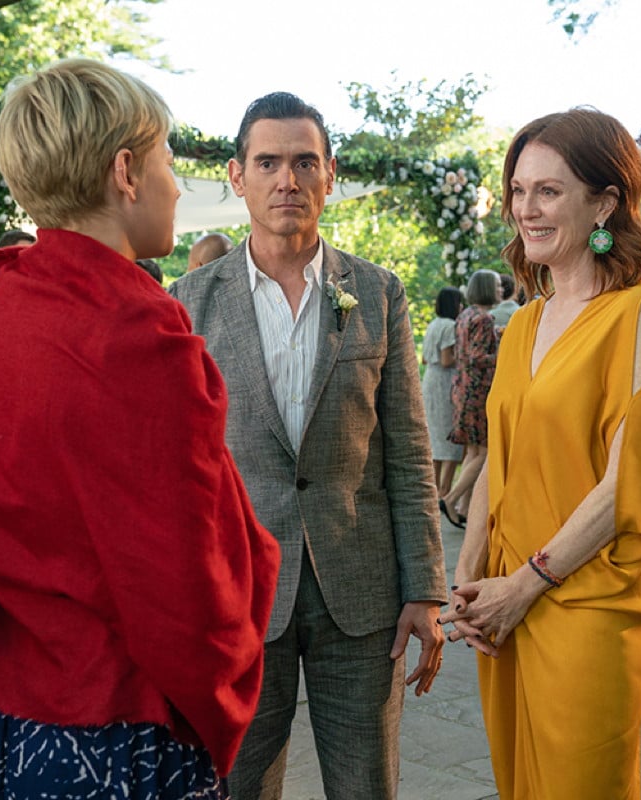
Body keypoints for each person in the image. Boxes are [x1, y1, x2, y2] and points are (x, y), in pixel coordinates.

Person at [0, 59, 281, 799]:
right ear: (125, 172)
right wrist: (223, 683)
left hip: (3, 721)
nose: (178, 185)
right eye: (168, 160)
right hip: (117, 725)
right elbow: (184, 580)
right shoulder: (141, 335)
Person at [169, 91, 446, 800]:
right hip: (237, 598)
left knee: (366, 788)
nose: (286, 179)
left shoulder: (377, 293)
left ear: (329, 173)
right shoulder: (188, 302)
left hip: (361, 595)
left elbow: (408, 452)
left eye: (303, 162)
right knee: (237, 787)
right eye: (268, 162)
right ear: (238, 176)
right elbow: (173, 467)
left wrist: (425, 589)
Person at [441, 108, 641, 798]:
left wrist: (526, 586)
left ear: (605, 202)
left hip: (585, 598)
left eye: (548, 191)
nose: (526, 209)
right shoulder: (523, 323)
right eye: (519, 191)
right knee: (518, 781)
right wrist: (469, 577)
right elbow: (499, 458)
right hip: (502, 598)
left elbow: (626, 484)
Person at [442, 269, 500, 529]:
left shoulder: (465, 315)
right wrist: (504, 352)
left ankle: (464, 507)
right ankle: (451, 499)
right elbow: (477, 358)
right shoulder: (484, 318)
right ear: (487, 288)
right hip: (478, 391)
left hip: (462, 388)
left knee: (473, 451)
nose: (501, 289)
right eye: (497, 285)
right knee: (484, 453)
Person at [422, 286, 465, 499]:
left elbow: (424, 358)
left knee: (434, 437)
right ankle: (444, 491)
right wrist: (465, 357)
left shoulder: (433, 324)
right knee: (449, 436)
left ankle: (433, 489)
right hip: (445, 382)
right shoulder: (450, 326)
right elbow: (447, 359)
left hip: (430, 379)